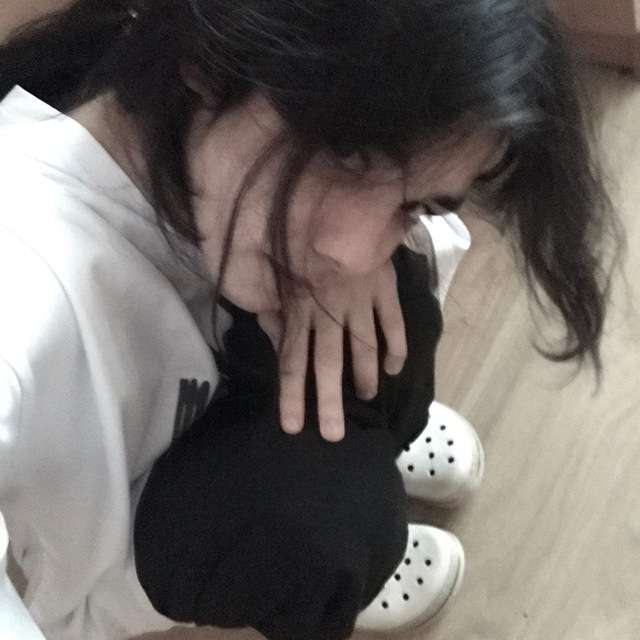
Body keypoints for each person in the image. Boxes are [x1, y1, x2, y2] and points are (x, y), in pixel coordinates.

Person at [0, 1, 621, 639]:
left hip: (210, 392)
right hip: (123, 546)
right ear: (210, 58)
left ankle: (367, 452)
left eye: (416, 203)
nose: (356, 250)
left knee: (392, 306)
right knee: (321, 530)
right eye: (349, 155)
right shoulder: (22, 279)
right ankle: (289, 565)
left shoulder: (184, 129)